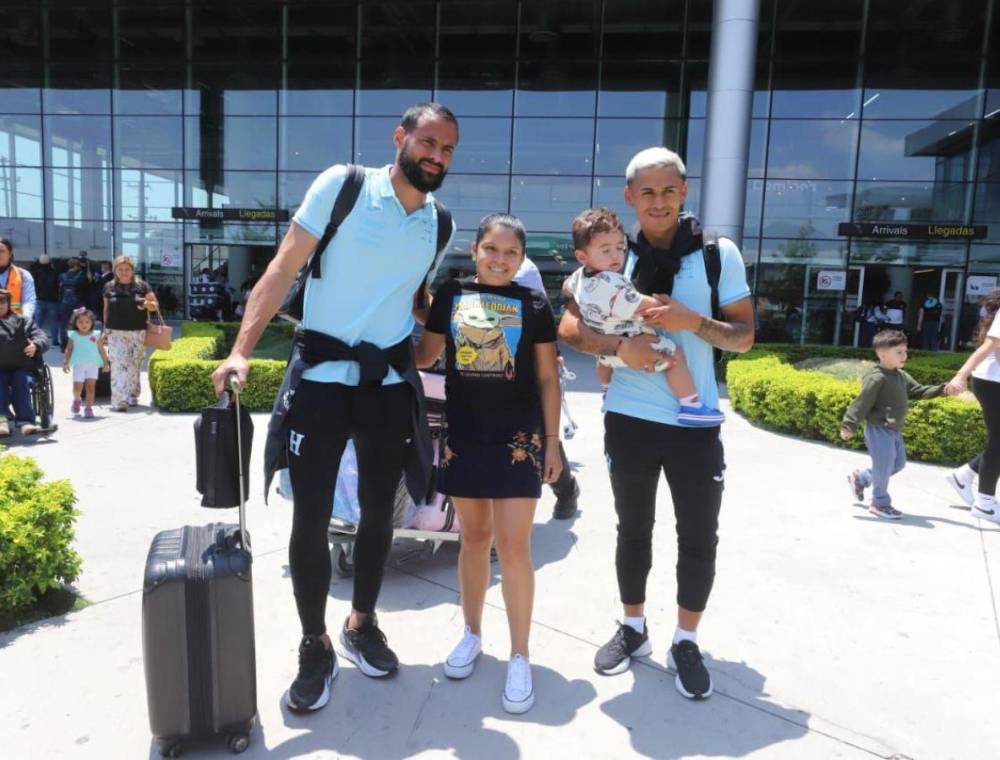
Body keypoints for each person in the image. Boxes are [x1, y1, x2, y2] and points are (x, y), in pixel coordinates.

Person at [210, 102, 459, 714]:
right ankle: (314, 643)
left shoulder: (440, 223)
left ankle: (360, 624)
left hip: (386, 387)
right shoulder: (343, 186)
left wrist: (457, 320)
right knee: (312, 516)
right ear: (400, 137)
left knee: (380, 513)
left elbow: (413, 296)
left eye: (448, 150)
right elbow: (280, 269)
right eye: (428, 142)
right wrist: (241, 350)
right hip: (321, 381)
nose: (436, 156)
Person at [558, 147, 754, 700]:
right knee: (632, 530)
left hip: (696, 422)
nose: (659, 201)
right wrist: (618, 345)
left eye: (669, 190)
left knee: (697, 537)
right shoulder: (610, 254)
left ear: (685, 192)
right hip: (628, 416)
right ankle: (634, 627)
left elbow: (744, 336)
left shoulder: (717, 255)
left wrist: (694, 322)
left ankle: (685, 640)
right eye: (647, 191)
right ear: (629, 197)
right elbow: (569, 328)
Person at [415, 213, 561, 714]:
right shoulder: (450, 299)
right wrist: (413, 306)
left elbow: (546, 379)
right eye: (491, 249)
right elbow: (425, 356)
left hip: (518, 439)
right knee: (473, 539)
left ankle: (520, 654)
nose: (500, 259)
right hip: (464, 435)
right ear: (475, 249)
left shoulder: (535, 303)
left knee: (515, 548)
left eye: (511, 253)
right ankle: (472, 634)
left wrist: (553, 441)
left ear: (522, 260)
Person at [563, 207, 724, 426]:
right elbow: (638, 304)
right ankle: (691, 404)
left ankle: (606, 389)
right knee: (675, 357)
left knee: (603, 364)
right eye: (606, 250)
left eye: (620, 248)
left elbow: (567, 289)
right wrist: (664, 305)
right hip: (631, 342)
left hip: (604, 351)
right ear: (582, 256)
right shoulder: (610, 283)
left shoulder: (579, 276)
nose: (616, 256)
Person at [843, 330, 951, 519]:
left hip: (894, 430)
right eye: (899, 352)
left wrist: (944, 389)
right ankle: (880, 504)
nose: (904, 356)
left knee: (898, 464)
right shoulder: (876, 377)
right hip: (879, 429)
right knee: (884, 466)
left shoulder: (901, 376)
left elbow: (918, 391)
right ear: (882, 354)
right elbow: (861, 402)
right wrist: (849, 425)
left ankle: (861, 478)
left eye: (905, 351)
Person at [512, 253, 580, 518]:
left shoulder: (525, 271)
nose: (500, 258)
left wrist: (552, 355)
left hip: (526, 365)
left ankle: (566, 489)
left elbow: (541, 320)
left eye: (510, 250)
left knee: (539, 432)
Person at [943, 289, 1000, 524]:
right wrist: (960, 375)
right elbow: (988, 346)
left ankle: (962, 476)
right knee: (998, 443)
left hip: (994, 381)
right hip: (992, 382)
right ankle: (985, 503)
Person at [103, 255, 158, 412]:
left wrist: (148, 304)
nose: (124, 272)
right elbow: (106, 309)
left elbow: (155, 306)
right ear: (115, 271)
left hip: (137, 331)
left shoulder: (142, 286)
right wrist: (104, 330)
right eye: (120, 269)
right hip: (115, 332)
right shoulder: (108, 287)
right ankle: (119, 399)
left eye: (127, 269)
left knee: (134, 365)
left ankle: (132, 394)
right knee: (119, 365)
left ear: (133, 270)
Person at [0, 289, 48, 437]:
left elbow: (42, 337)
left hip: (23, 367)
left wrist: (36, 345)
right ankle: (2, 420)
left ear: (8, 303)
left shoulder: (23, 321)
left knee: (20, 379)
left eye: (2, 301)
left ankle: (25, 421)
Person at [62, 307, 110, 419]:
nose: (84, 325)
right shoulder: (73, 335)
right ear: (76, 323)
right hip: (78, 365)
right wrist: (66, 362)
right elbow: (68, 349)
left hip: (92, 365)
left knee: (90, 388)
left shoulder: (96, 335)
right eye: (80, 322)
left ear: (92, 322)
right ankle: (77, 400)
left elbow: (101, 350)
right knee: (77, 388)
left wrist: (106, 363)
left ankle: (88, 408)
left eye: (87, 322)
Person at [0, 238, 37, 320]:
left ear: (10, 253)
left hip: (15, 324)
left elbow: (28, 301)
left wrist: (25, 321)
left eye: (1, 251)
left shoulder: (23, 275)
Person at [29, 253, 59, 342]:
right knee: (53, 322)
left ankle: (36, 340)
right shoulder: (55, 273)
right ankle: (55, 341)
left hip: (39, 300)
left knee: (38, 322)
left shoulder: (36, 273)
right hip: (53, 300)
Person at [57, 257, 86, 349]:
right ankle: (75, 345)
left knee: (64, 324)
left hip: (64, 303)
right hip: (77, 303)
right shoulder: (81, 277)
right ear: (77, 266)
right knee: (78, 324)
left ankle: (64, 345)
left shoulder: (61, 276)